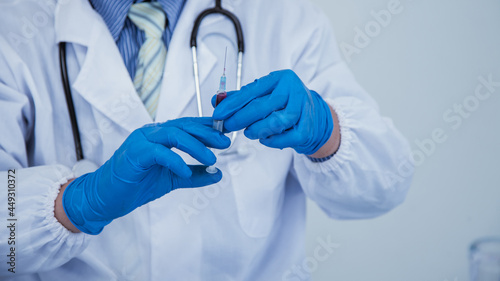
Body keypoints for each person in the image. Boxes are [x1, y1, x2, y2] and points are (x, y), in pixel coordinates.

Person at [0, 0, 413, 280]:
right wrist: (74, 204)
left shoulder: (282, 16)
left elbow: (386, 185)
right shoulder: (14, 25)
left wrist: (327, 132)